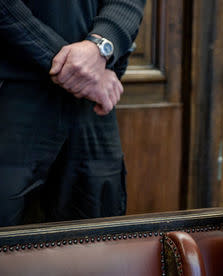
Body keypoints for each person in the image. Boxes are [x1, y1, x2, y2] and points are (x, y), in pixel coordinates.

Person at [0, 0, 146, 226]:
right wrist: (81, 66)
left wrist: (102, 44)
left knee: (98, 247)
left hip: (91, 106)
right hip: (14, 96)